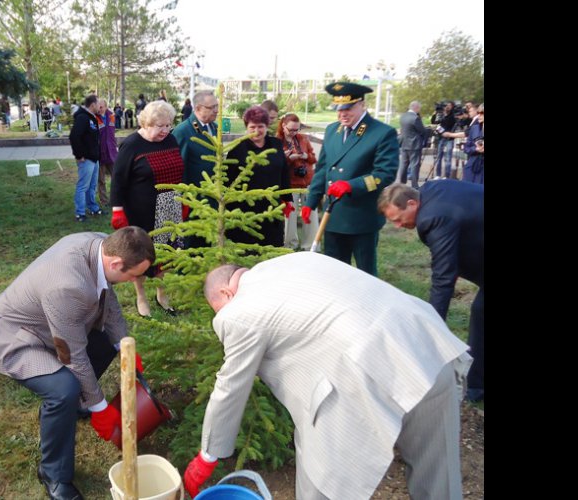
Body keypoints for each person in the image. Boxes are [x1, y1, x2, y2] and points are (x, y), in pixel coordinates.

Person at [183, 251, 472, 499]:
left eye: (216, 311)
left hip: (365, 373)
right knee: (439, 477)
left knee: (319, 478)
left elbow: (231, 386)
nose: (219, 320)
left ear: (225, 293)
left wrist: (208, 455)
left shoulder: (238, 311)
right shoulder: (296, 259)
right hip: (426, 344)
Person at [0, 227, 156, 500]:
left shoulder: (101, 245)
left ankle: (75, 408)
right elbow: (73, 356)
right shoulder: (67, 286)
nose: (133, 281)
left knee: (105, 343)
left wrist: (124, 345)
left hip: (54, 326)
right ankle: (53, 474)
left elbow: (109, 300)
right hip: (16, 337)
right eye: (133, 275)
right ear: (116, 263)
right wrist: (100, 407)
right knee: (63, 389)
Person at [378, 180, 484, 402]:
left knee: (481, 316)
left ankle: (475, 388)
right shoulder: (430, 190)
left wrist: (432, 326)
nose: (397, 226)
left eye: (398, 219)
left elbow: (443, 279)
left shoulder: (432, 218)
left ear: (411, 203)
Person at [301, 82, 399, 276]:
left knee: (365, 273)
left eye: (348, 108)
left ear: (362, 104)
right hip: (333, 215)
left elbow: (385, 173)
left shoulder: (381, 133)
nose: (342, 114)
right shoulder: (332, 130)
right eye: (339, 109)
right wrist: (311, 201)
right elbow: (323, 169)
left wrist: (352, 185)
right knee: (335, 272)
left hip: (361, 216)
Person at [110, 100, 186, 317]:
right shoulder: (132, 144)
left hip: (171, 205)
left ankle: (162, 294)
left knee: (168, 253)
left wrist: (183, 199)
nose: (165, 130)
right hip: (142, 210)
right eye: (160, 126)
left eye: (168, 125)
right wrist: (117, 210)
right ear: (146, 123)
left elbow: (178, 168)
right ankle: (141, 296)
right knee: (141, 254)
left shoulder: (171, 140)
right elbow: (118, 180)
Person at [225, 105, 293, 247]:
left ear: (267, 126)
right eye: (252, 127)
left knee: (272, 248)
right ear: (246, 127)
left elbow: (284, 172)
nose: (257, 131)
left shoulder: (276, 144)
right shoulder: (237, 150)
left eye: (261, 126)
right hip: (245, 211)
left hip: (272, 209)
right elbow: (228, 182)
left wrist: (287, 199)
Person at [171, 91, 219, 247]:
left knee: (206, 241)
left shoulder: (214, 127)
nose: (216, 110)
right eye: (211, 107)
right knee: (191, 243)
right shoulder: (183, 131)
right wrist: (184, 199)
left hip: (211, 196)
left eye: (216, 106)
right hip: (193, 199)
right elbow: (178, 168)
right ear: (198, 108)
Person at [275, 112, 320, 250]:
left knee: (311, 214)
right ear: (283, 126)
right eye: (291, 129)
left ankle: (310, 245)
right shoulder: (276, 142)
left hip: (306, 182)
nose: (294, 132)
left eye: (297, 129)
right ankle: (289, 245)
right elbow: (275, 165)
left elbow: (314, 159)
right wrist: (288, 158)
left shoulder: (303, 139)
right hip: (289, 185)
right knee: (290, 217)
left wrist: (306, 156)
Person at [69, 94, 106, 222]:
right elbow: (74, 137)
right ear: (92, 105)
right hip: (86, 159)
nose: (100, 106)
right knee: (83, 186)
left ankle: (93, 208)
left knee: (92, 186)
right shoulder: (82, 118)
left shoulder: (92, 118)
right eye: (98, 104)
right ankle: (80, 213)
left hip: (94, 158)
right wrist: (79, 155)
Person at [397, 100, 427, 188]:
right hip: (414, 144)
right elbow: (422, 130)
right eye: (419, 108)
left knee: (403, 163)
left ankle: (402, 182)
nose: (419, 110)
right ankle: (414, 185)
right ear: (416, 108)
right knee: (414, 164)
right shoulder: (415, 118)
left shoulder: (403, 116)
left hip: (404, 143)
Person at [96, 99, 118, 208]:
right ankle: (104, 201)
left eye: (101, 107)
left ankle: (116, 199)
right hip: (100, 153)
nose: (99, 109)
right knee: (101, 180)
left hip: (112, 153)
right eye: (98, 107)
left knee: (116, 177)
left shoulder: (111, 116)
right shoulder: (94, 117)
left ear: (105, 106)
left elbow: (112, 132)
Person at [462, 103, 484, 184]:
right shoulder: (474, 128)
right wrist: (476, 149)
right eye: (478, 113)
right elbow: (466, 148)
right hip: (472, 167)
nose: (479, 116)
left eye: (482, 113)